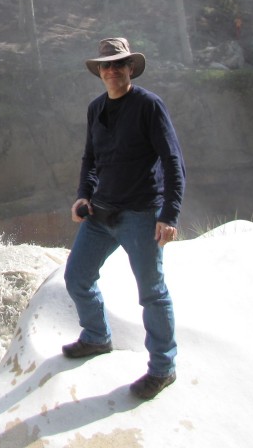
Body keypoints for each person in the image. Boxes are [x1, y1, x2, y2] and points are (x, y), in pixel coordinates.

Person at [62, 37, 186, 401]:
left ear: (131, 68)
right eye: (106, 65)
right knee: (77, 276)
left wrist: (169, 215)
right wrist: (83, 194)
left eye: (119, 64)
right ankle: (96, 336)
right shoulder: (96, 108)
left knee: (152, 293)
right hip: (101, 213)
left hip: (141, 214)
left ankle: (163, 367)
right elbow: (90, 158)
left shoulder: (149, 106)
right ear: (99, 72)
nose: (112, 70)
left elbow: (172, 161)